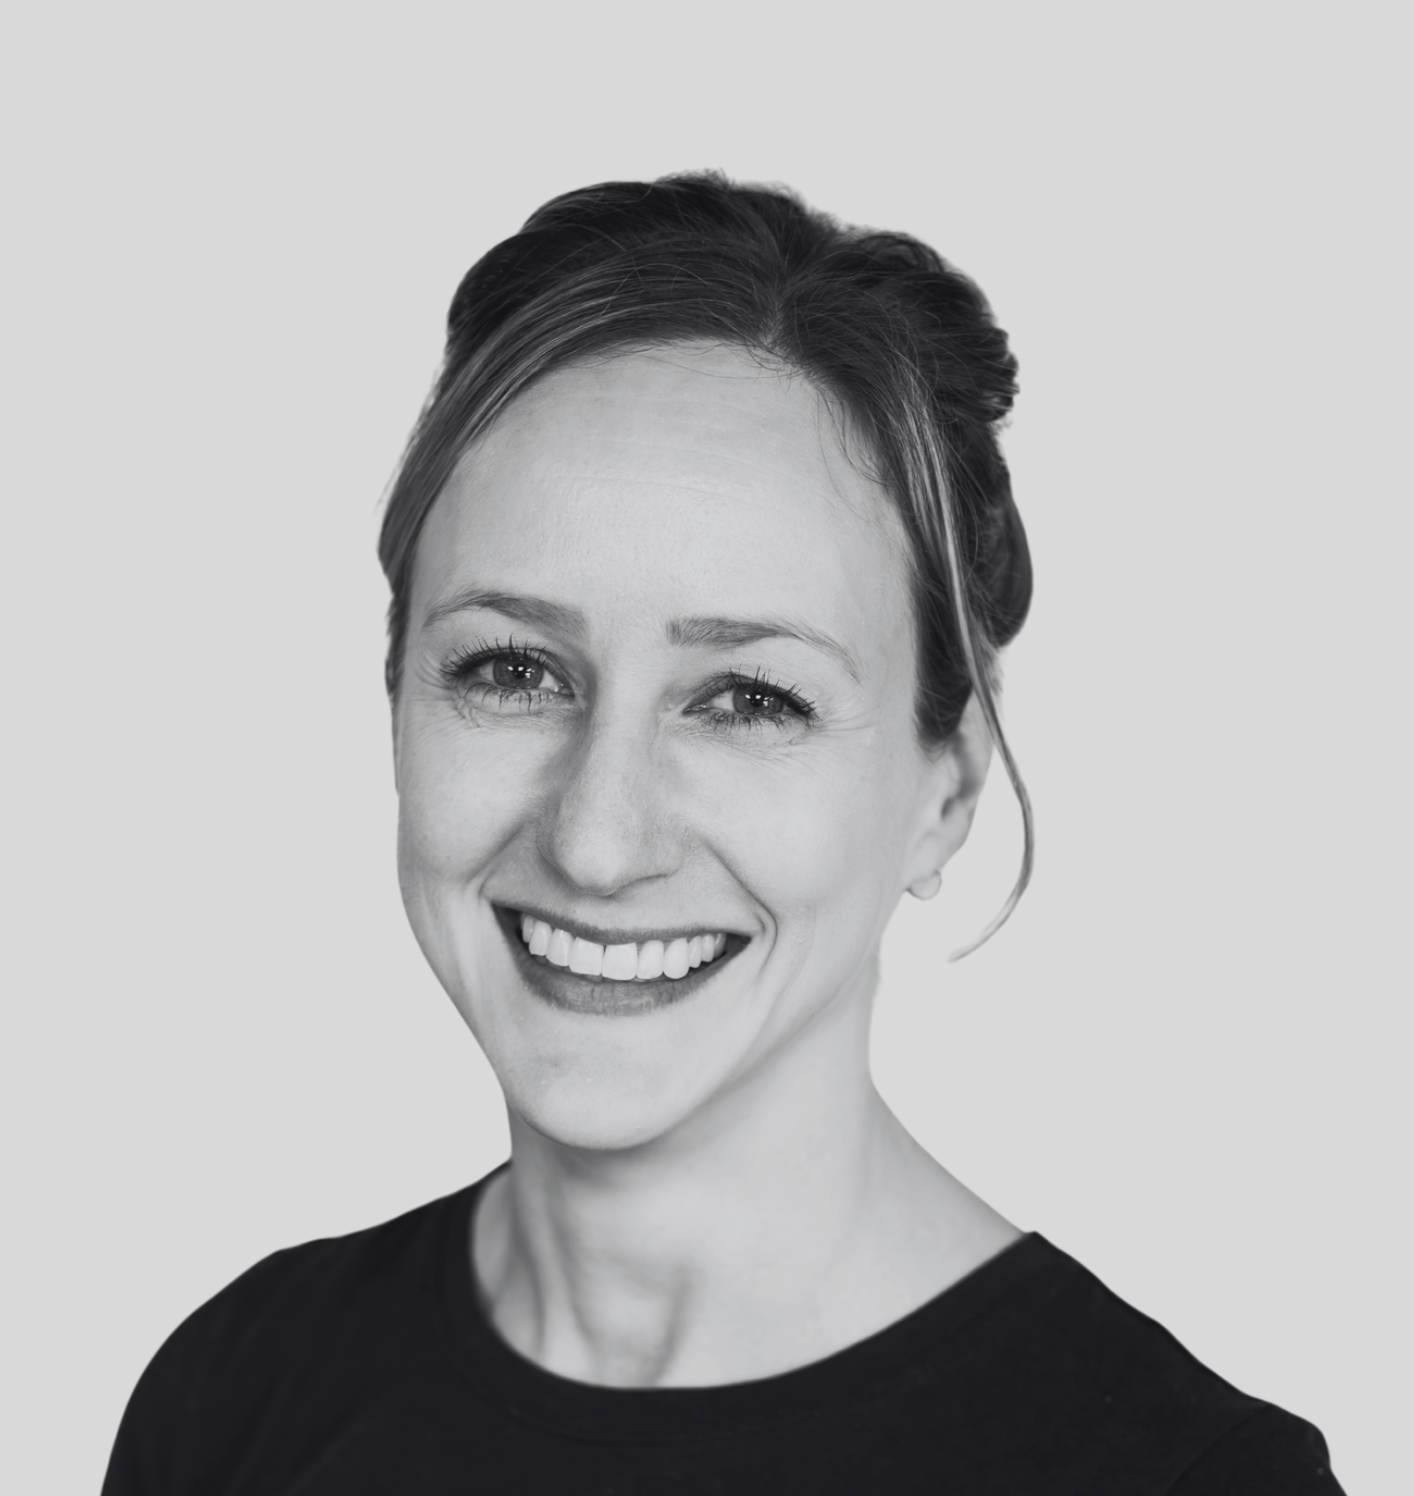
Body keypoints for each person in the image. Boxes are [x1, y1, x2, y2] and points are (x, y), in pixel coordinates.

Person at [101, 173, 1345, 1493]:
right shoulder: (241, 1386)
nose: (597, 842)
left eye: (750, 699)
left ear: (947, 789)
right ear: (396, 692)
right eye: (511, 670)